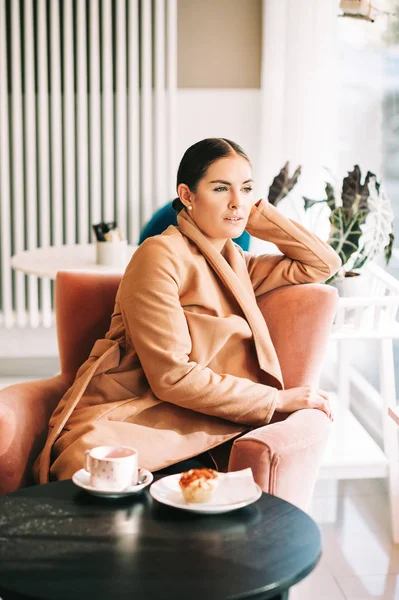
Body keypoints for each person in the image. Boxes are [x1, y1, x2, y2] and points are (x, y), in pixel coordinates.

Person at [35, 138, 341, 484]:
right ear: (187, 195)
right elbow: (171, 377)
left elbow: (323, 263)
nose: (237, 201)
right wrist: (277, 399)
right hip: (140, 413)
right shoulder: (159, 255)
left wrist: (256, 215)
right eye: (221, 188)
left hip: (208, 417)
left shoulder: (238, 263)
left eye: (247, 188)